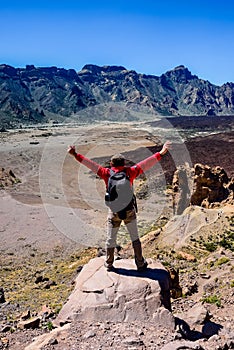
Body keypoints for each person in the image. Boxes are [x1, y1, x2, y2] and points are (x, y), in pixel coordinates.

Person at [68, 141, 171, 271]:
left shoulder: (106, 173)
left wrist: (75, 154)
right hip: (129, 210)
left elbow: (90, 164)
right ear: (124, 164)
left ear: (111, 164)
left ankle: (109, 263)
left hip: (114, 211)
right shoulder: (130, 172)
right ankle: (140, 263)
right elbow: (146, 163)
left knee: (111, 238)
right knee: (135, 238)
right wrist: (161, 153)